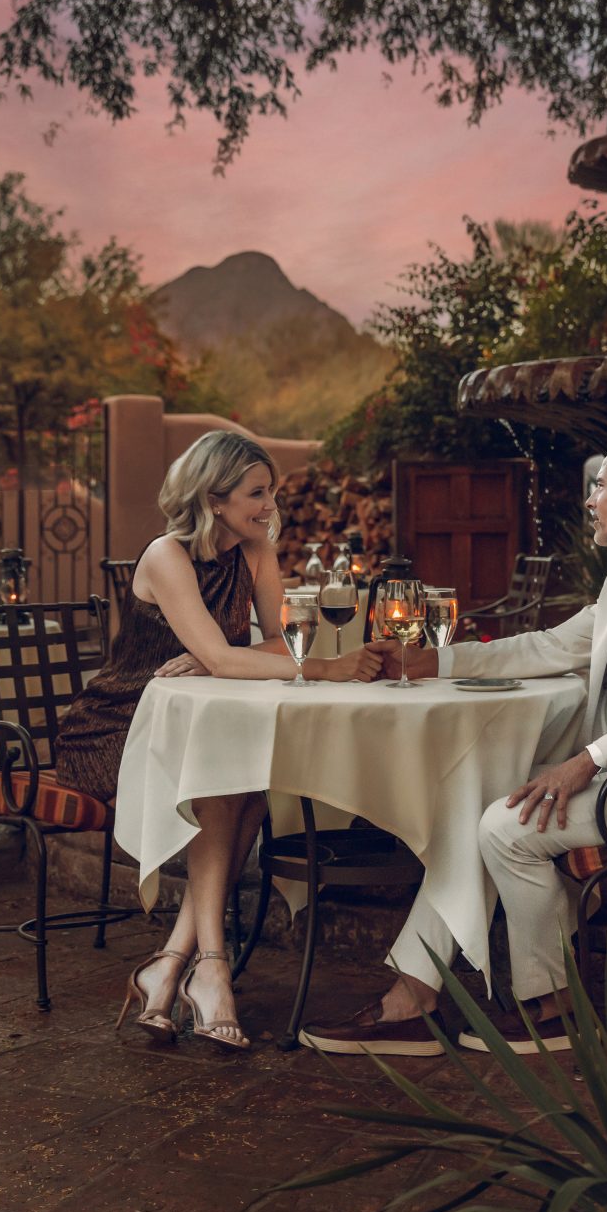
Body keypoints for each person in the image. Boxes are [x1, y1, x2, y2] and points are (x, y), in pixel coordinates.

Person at [300, 425, 607, 1056]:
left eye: (600, 484)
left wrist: (587, 760)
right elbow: (548, 647)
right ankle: (414, 996)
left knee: (504, 826)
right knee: (480, 799)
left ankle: (552, 1011)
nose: (590, 498)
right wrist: (426, 665)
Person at [54, 430, 380, 1051]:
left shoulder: (256, 551)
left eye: (271, 492)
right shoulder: (165, 555)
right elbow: (252, 657)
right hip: (119, 724)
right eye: (257, 493)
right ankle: (207, 966)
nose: (269, 505)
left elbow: (278, 645)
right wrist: (308, 666)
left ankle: (183, 963)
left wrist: (217, 659)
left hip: (198, 722)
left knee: (243, 781)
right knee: (234, 784)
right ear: (214, 496)